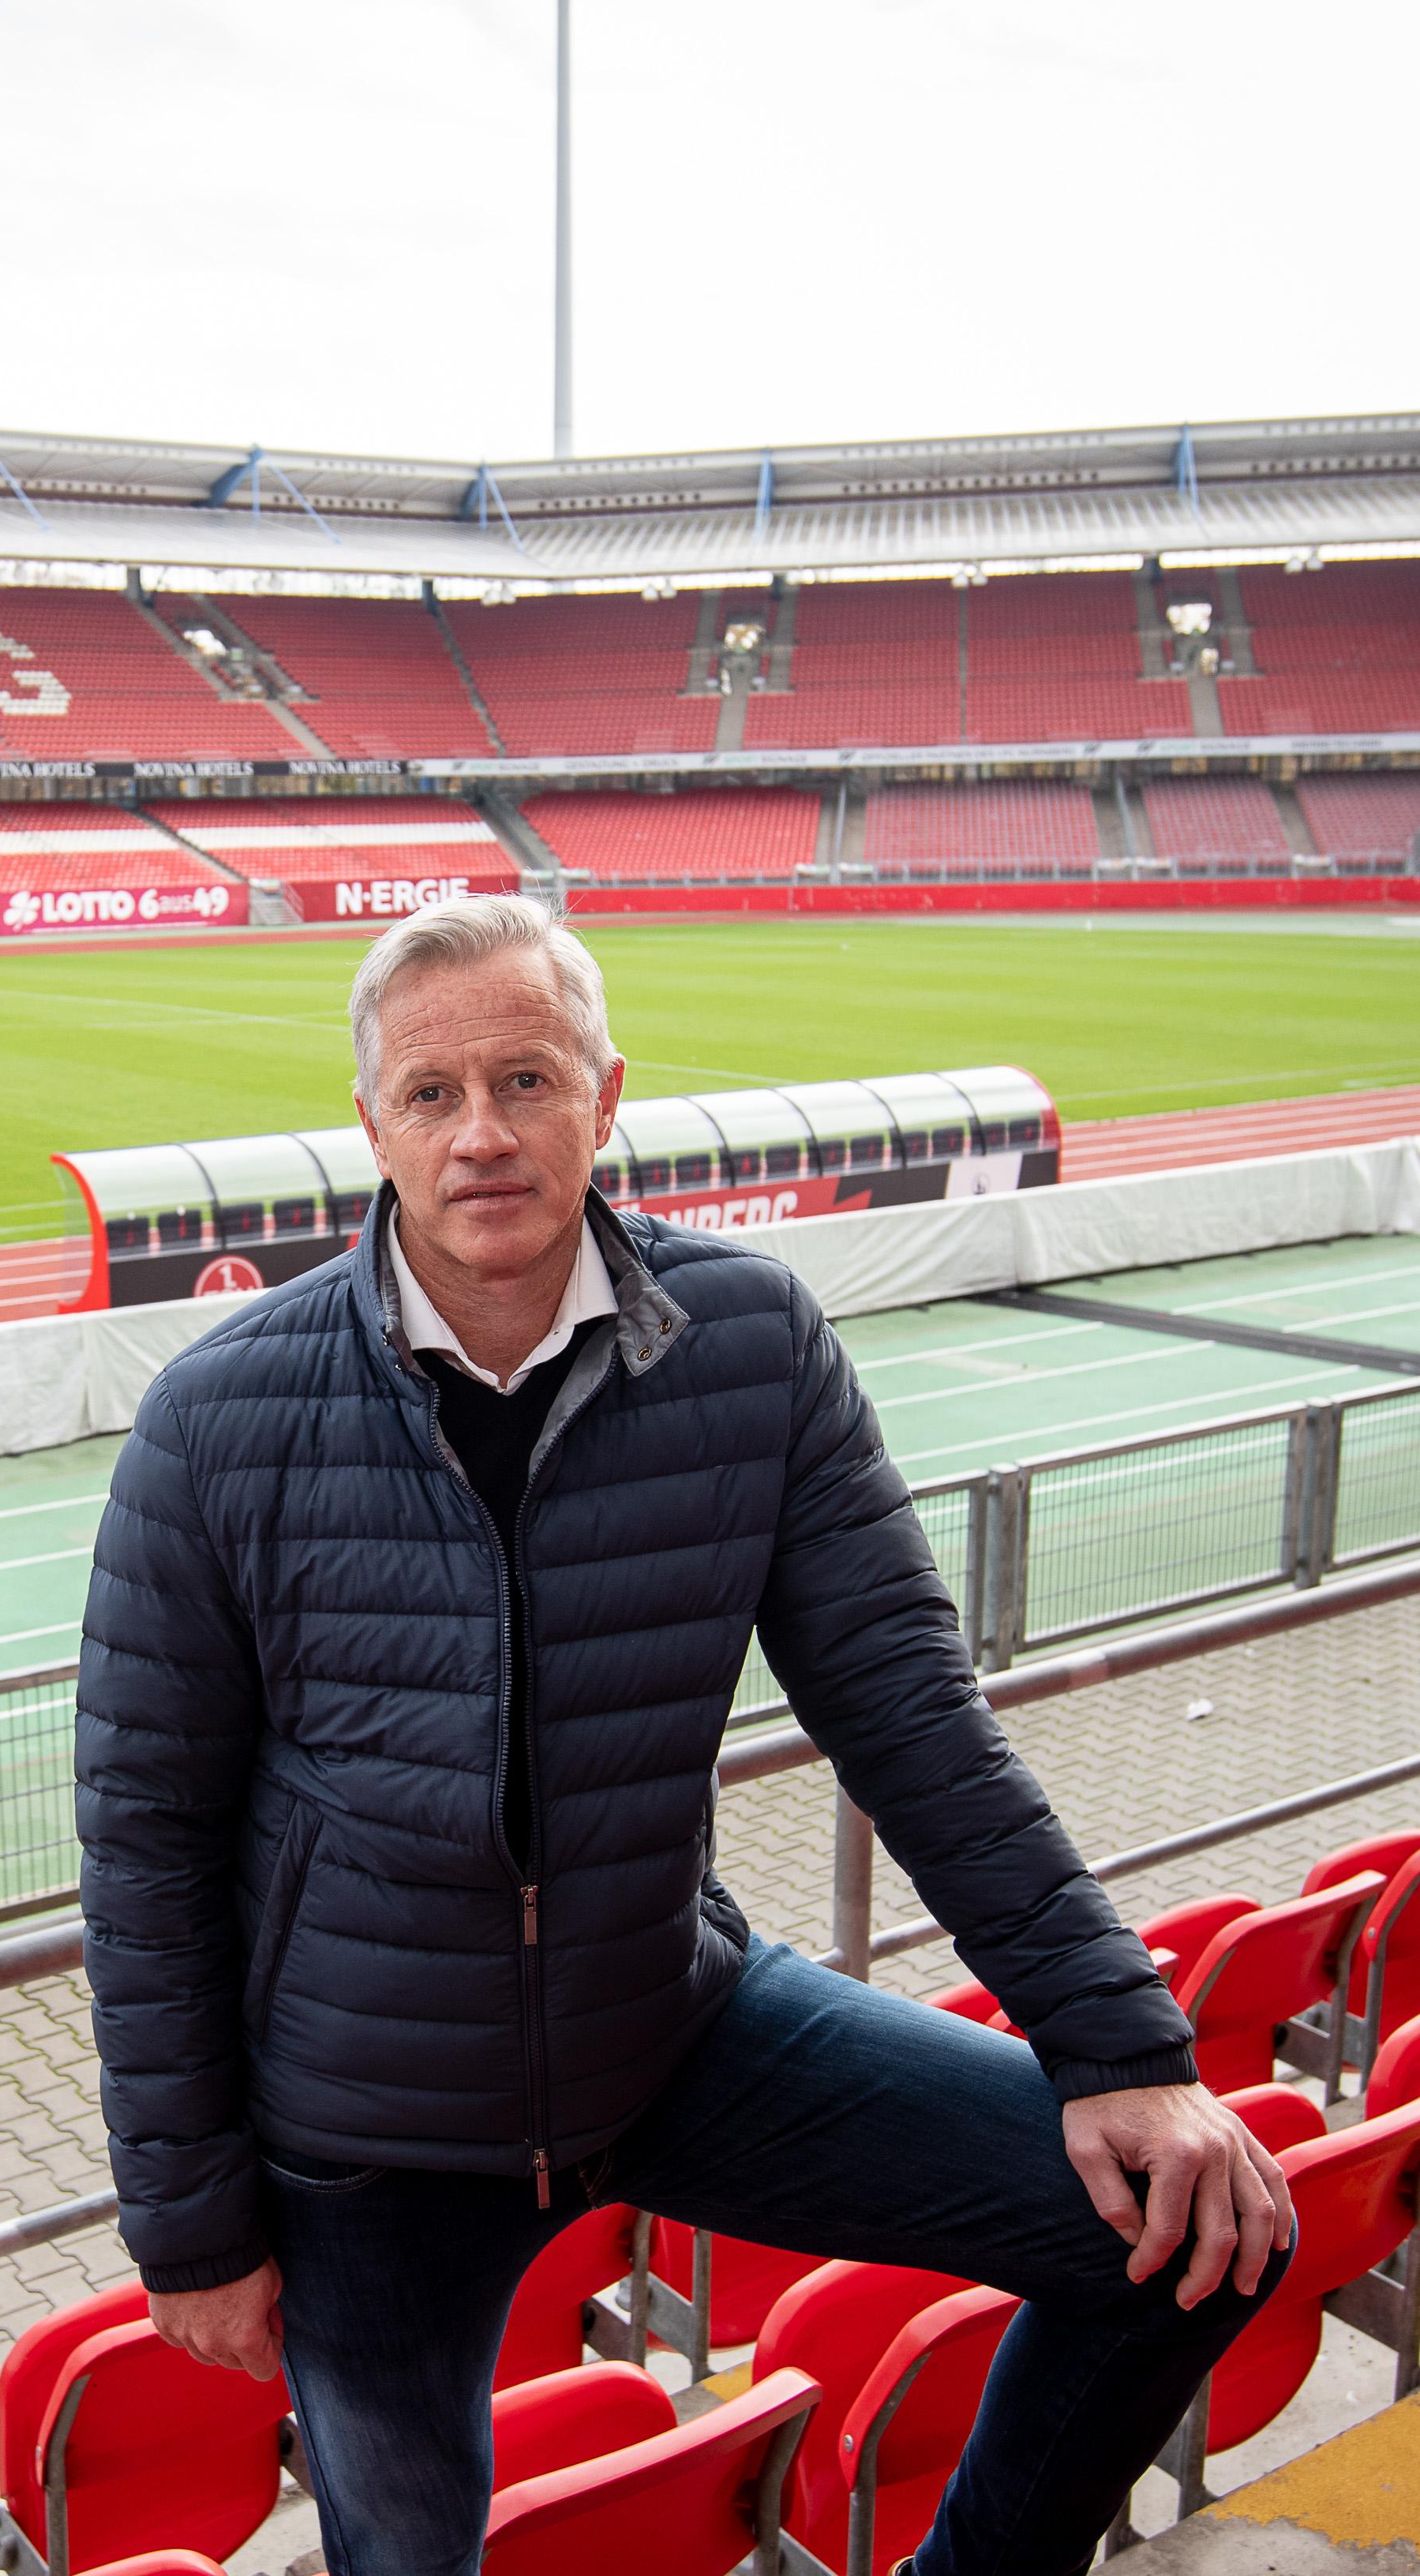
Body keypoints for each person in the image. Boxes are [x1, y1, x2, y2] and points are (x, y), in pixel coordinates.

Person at [74, 893, 1290, 2576]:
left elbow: (909, 1714)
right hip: (366, 2126)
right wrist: (190, 2214)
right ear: (369, 1125)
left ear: (606, 1090)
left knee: (1188, 2236)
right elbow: (143, 1838)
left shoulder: (749, 1344)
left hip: (670, 2026)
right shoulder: (217, 1418)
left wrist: (1122, 2049)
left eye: (527, 1077)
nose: (481, 1132)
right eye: (431, 1094)